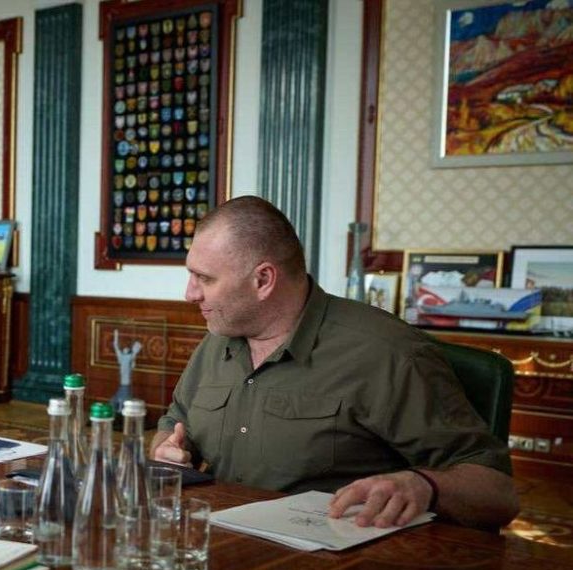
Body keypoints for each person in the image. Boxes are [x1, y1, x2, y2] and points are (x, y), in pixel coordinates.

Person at [150, 196, 518, 529]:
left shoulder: (387, 353)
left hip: (337, 567)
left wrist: (425, 485)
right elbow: (175, 422)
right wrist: (168, 450)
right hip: (220, 549)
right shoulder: (217, 341)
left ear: (263, 280)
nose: (189, 294)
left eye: (204, 278)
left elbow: (498, 494)